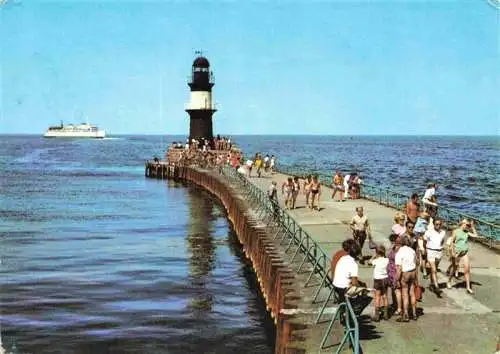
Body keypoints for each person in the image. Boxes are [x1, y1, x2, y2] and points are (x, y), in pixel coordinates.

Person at [447, 219, 477, 294]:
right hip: (457, 253)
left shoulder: (467, 232)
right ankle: (449, 281)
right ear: (462, 224)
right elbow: (452, 242)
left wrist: (473, 227)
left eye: (468, 225)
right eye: (466, 225)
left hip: (464, 253)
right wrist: (452, 252)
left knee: (467, 269)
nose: (467, 226)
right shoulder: (456, 231)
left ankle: (468, 287)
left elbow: (476, 235)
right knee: (454, 268)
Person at [395, 236, 418, 322]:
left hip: (405, 273)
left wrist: (397, 280)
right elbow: (416, 262)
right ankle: (414, 313)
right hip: (413, 271)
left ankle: (406, 315)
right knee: (412, 293)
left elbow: (399, 268)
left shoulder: (399, 252)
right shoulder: (412, 250)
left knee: (405, 294)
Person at [332, 239, 362, 303]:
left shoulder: (343, 258)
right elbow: (354, 283)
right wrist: (361, 288)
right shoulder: (354, 264)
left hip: (335, 285)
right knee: (364, 296)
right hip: (344, 289)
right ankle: (352, 310)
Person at [424, 217, 446, 296]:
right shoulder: (428, 232)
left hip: (439, 252)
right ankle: (437, 287)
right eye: (436, 224)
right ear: (433, 224)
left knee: (434, 269)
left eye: (440, 224)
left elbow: (442, 241)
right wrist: (425, 252)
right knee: (434, 270)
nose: (438, 226)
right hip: (431, 251)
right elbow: (425, 241)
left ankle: (431, 284)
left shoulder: (443, 232)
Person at [371, 245, 390, 321]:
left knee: (377, 297)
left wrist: (373, 256)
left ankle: (377, 315)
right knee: (385, 296)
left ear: (377, 253)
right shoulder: (387, 260)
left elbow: (369, 262)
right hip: (385, 279)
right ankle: (386, 314)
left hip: (377, 280)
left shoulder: (376, 261)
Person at [387, 234, 402, 317]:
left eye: (392, 241)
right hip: (391, 272)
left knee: (397, 290)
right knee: (393, 290)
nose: (391, 243)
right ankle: (394, 304)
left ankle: (399, 308)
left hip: (395, 272)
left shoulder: (398, 250)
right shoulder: (394, 248)